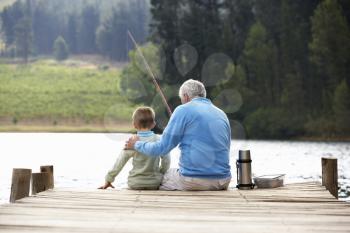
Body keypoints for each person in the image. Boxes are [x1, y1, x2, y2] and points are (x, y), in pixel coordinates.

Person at [125, 79, 231, 191]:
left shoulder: (182, 110)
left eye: (181, 100)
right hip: (223, 181)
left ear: (185, 96)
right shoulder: (221, 114)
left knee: (163, 176)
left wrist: (136, 144)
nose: (182, 103)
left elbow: (161, 148)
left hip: (194, 181)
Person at [99, 107, 170, 190]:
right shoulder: (159, 140)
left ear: (134, 125)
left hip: (135, 183)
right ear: (153, 124)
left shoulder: (131, 142)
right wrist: (161, 173)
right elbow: (166, 160)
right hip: (154, 183)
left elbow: (119, 162)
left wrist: (109, 179)